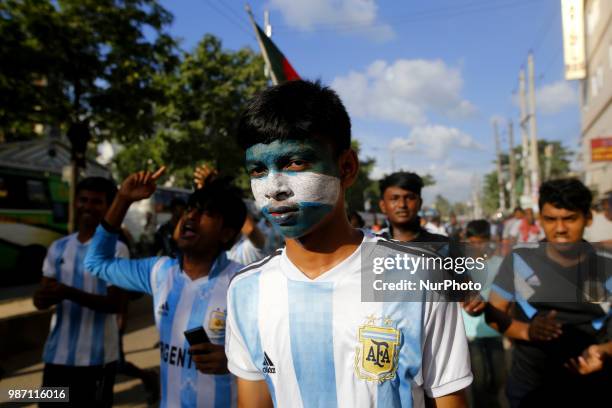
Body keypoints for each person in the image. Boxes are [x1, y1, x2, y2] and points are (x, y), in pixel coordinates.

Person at [225, 80, 472, 407]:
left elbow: (450, 400)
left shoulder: (418, 277)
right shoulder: (246, 290)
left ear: (347, 167)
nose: (274, 188)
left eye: (294, 162)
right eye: (258, 169)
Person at [84, 168, 246, 407]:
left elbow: (274, 360)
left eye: (205, 213)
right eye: (190, 209)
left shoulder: (244, 284)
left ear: (227, 233)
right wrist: (123, 199)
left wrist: (235, 362)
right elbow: (96, 262)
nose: (191, 217)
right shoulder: (160, 272)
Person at [487, 178, 611, 407]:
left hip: (596, 388)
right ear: (540, 219)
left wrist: (604, 351)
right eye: (551, 219)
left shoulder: (607, 266)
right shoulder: (519, 260)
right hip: (531, 391)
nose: (560, 229)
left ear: (588, 218)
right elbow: (494, 314)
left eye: (570, 219)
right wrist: (528, 331)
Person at [33, 177, 130, 407]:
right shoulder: (58, 247)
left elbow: (115, 304)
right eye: (83, 200)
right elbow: (41, 300)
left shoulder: (117, 249)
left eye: (96, 202)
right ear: (75, 203)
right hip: (56, 357)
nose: (88, 206)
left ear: (109, 207)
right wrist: (41, 298)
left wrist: (67, 292)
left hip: (97, 361)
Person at [462, 220, 506, 408]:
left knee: (499, 376)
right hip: (471, 333)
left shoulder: (500, 265)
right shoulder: (459, 267)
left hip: (494, 329)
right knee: (478, 380)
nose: (477, 246)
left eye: (481, 241)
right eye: (473, 241)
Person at [377, 172, 448, 243]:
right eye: (394, 198)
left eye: (409, 198)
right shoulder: (370, 246)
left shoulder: (444, 247)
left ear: (420, 203)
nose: (402, 205)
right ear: (383, 205)